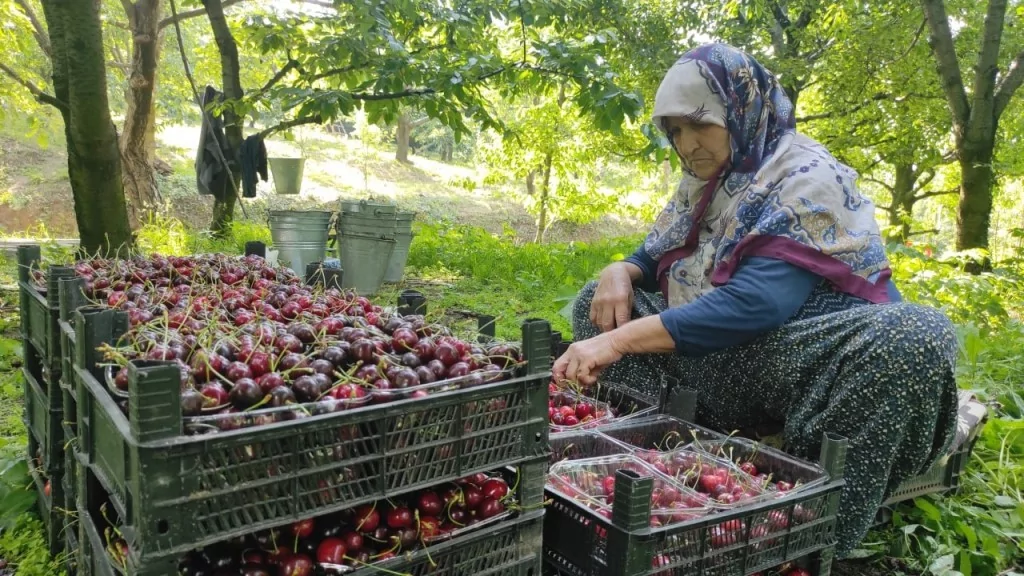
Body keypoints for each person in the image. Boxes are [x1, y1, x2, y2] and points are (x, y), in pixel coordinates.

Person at [552, 43, 959, 558]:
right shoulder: (710, 181)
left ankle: (809, 533)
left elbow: (756, 305)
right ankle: (703, 447)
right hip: (727, 362)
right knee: (597, 300)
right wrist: (620, 271)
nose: (688, 144)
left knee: (917, 336)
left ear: (740, 110)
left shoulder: (806, 178)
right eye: (675, 130)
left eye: (700, 123)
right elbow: (655, 255)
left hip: (798, 361)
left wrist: (617, 343)